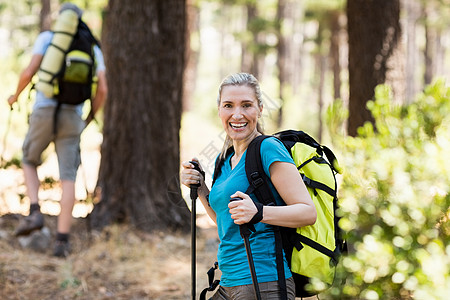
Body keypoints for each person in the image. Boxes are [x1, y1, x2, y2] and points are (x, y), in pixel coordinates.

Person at [181, 73, 316, 299]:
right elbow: (225, 219)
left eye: (246, 105)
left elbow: (307, 212)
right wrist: (201, 187)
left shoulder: (268, 148)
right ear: (219, 110)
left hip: (265, 281)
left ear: (260, 109)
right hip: (228, 281)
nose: (237, 114)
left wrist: (259, 212)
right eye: (228, 105)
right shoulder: (223, 159)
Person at [7, 3, 107, 257]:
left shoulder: (48, 38)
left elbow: (29, 71)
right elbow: (102, 90)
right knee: (68, 178)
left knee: (29, 159)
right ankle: (62, 242)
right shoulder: (93, 47)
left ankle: (34, 212)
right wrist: (90, 117)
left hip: (43, 109)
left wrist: (14, 97)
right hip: (73, 114)